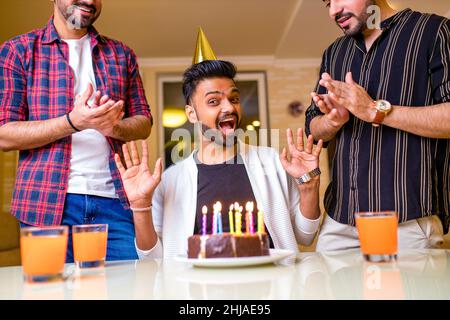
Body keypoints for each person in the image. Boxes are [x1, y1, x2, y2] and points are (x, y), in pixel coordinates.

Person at [114, 31, 325, 260]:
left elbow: (306, 236)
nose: (229, 108)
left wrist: (309, 185)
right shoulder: (171, 180)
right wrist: (140, 205)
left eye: (234, 98)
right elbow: (151, 259)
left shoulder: (272, 161)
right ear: (192, 114)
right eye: (213, 101)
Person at [0, 0, 152, 262]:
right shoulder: (17, 50)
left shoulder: (121, 54)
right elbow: (5, 134)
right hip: (44, 205)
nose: (89, 1)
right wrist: (73, 122)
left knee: (128, 289)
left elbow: (144, 122)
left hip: (115, 203)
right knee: (50, 292)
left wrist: (114, 127)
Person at [305, 0, 450, 251]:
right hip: (339, 220)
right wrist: (331, 121)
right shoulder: (334, 52)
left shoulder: (434, 31)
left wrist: (376, 110)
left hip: (408, 219)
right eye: (327, 3)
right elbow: (312, 129)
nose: (333, 11)